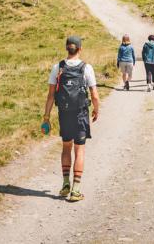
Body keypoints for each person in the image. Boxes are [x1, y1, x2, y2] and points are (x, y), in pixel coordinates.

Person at [42, 35, 100, 202]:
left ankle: (65, 183)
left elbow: (51, 95)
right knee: (79, 149)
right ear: (80, 49)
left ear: (67, 48)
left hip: (64, 113)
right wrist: (96, 110)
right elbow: (94, 95)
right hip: (81, 113)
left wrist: (46, 117)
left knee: (66, 147)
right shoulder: (86, 68)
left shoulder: (57, 67)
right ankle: (76, 189)